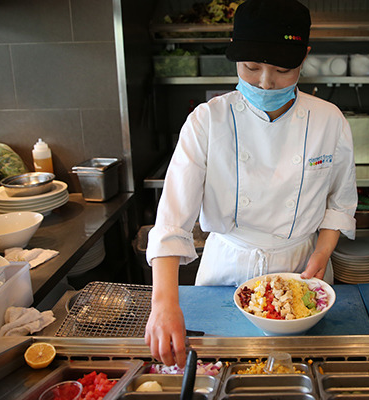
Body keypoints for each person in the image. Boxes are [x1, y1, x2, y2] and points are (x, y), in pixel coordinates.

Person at [144, 0, 358, 367]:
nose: (265, 81)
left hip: (301, 272)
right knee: (221, 372)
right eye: (251, 67)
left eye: (282, 69)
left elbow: (339, 204)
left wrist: (321, 255)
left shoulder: (329, 120)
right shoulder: (207, 121)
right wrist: (164, 302)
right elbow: (172, 220)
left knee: (301, 371)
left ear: (304, 57)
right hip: (226, 269)